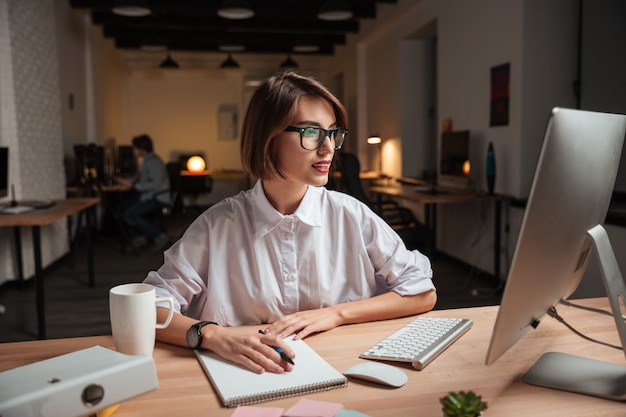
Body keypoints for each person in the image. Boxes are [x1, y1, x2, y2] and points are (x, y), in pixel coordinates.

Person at [144, 70, 436, 375]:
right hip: (247, 375)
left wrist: (335, 315)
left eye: (332, 133)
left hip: (346, 369)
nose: (328, 149)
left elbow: (422, 292)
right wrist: (214, 336)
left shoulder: (351, 215)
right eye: (311, 133)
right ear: (267, 137)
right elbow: (148, 309)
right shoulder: (216, 226)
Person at [114, 134, 170, 252]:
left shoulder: (154, 163)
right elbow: (143, 179)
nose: (133, 150)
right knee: (121, 207)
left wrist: (134, 186)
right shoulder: (147, 161)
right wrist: (127, 182)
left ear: (141, 149)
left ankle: (159, 236)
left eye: (134, 147)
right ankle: (138, 238)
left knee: (129, 214)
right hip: (149, 196)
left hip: (157, 198)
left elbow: (156, 185)